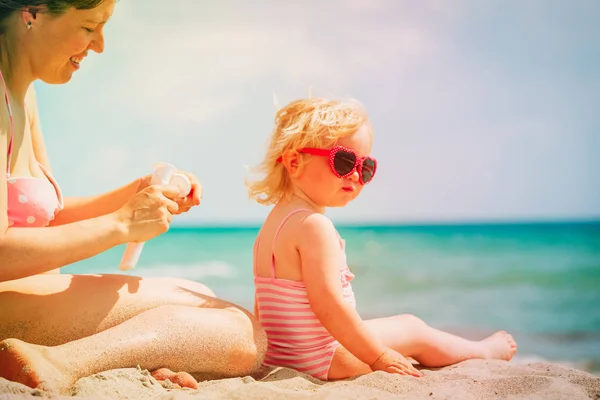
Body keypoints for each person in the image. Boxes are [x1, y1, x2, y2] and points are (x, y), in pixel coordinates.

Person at [0, 0, 266, 394]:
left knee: (205, 302)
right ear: (32, 13)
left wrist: (135, 195)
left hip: (26, 297)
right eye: (91, 27)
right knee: (239, 332)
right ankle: (60, 363)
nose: (101, 45)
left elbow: (44, 220)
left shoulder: (22, 96)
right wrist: (120, 224)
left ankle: (111, 361)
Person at [246, 97, 518, 381]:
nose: (355, 175)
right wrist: (379, 356)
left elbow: (263, 304)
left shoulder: (270, 227)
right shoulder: (314, 225)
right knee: (412, 328)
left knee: (392, 328)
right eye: (343, 160)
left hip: (283, 357)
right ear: (294, 161)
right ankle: (483, 351)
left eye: (365, 167)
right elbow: (328, 305)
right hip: (325, 357)